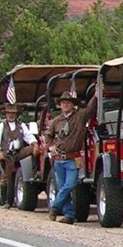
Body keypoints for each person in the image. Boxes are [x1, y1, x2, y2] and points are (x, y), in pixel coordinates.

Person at [43, 90, 97, 224]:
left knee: (70, 184)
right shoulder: (56, 121)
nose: (65, 105)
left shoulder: (80, 116)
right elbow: (48, 135)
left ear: (73, 105)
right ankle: (69, 214)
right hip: (58, 159)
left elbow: (90, 109)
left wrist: (96, 95)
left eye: (68, 103)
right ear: (60, 105)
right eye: (63, 103)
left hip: (73, 158)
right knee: (62, 187)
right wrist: (50, 146)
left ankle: (55, 207)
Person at [0, 103, 39, 209]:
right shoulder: (0, 127)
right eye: (9, 113)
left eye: (13, 113)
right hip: (6, 155)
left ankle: (34, 172)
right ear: (6, 114)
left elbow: (28, 136)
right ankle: (6, 201)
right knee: (7, 177)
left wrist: (34, 144)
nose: (11, 115)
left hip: (18, 152)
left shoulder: (22, 126)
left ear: (16, 114)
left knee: (34, 149)